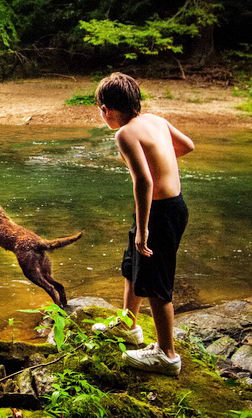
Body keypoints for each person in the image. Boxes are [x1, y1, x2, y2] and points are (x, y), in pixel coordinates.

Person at [94, 72, 195, 376]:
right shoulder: (154, 120)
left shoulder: (124, 134)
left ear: (106, 109)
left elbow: (143, 182)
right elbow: (187, 145)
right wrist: (160, 156)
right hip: (172, 207)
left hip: (158, 212)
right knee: (132, 266)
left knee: (156, 282)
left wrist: (143, 228)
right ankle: (128, 325)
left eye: (100, 109)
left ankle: (167, 355)